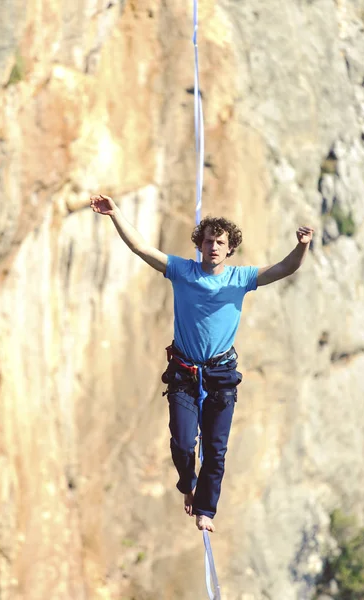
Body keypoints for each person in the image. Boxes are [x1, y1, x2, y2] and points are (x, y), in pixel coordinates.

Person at [90, 193, 314, 532]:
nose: (213, 247)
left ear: (229, 248)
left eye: (220, 242)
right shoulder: (182, 271)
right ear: (200, 244)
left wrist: (302, 246)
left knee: (215, 450)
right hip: (184, 370)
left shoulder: (241, 278)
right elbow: (141, 248)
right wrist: (115, 213)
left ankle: (206, 510)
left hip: (221, 373)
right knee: (182, 443)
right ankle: (187, 485)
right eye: (208, 241)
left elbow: (286, 268)